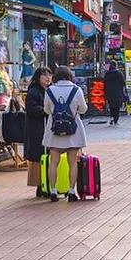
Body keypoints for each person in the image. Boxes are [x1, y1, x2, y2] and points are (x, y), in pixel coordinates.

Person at [43, 66, 88, 202]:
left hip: (54, 131)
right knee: (72, 162)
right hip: (72, 132)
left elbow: (47, 110)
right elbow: (83, 110)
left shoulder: (49, 90)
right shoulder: (76, 90)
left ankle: (53, 191)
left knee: (54, 162)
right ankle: (71, 191)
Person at [24, 68, 53, 197]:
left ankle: (48, 184)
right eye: (44, 75)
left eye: (50, 75)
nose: (48, 78)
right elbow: (31, 108)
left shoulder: (51, 90)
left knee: (49, 155)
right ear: (38, 77)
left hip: (48, 127)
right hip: (37, 129)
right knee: (39, 157)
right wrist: (45, 110)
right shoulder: (33, 91)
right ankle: (40, 185)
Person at [102, 62, 125, 126]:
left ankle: (111, 117)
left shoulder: (107, 74)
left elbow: (105, 84)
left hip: (109, 92)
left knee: (111, 106)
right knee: (117, 107)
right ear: (115, 66)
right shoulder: (119, 73)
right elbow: (123, 83)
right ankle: (116, 120)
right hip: (118, 92)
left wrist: (105, 92)